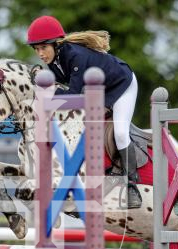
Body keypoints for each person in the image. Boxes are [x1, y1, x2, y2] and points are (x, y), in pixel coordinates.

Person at [27, 15, 142, 209]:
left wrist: (46, 92)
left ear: (56, 44)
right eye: (36, 49)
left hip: (122, 85)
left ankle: (132, 185)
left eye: (43, 48)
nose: (40, 54)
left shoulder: (75, 56)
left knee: (121, 134)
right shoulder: (55, 60)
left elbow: (72, 96)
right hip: (100, 90)